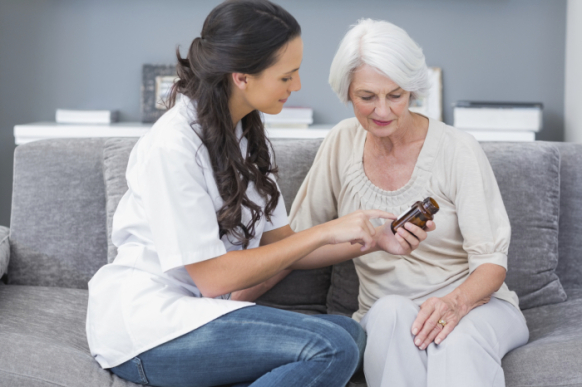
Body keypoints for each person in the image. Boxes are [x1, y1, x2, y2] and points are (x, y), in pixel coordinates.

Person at [85, 3, 433, 387]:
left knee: (350, 335)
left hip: (193, 314)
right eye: (287, 75)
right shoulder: (173, 145)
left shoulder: (243, 133)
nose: (297, 85)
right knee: (332, 347)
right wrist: (323, 230)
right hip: (146, 329)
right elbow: (214, 279)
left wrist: (375, 241)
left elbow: (285, 248)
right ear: (242, 78)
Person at [289, 19, 529, 387]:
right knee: (389, 313)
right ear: (347, 92)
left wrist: (455, 302)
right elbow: (293, 245)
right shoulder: (340, 143)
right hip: (387, 309)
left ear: (413, 91)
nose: (382, 111)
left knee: (456, 339)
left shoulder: (457, 149)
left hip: (476, 303)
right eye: (367, 97)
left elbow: (491, 265)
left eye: (395, 95)